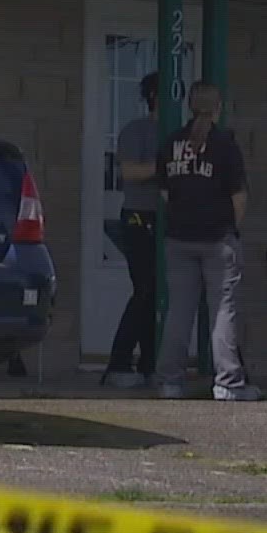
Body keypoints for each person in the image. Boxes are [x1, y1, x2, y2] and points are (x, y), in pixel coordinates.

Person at [153, 81, 262, 402]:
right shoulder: (225, 145)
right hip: (217, 238)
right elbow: (238, 197)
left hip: (178, 238)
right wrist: (231, 229)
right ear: (218, 108)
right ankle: (228, 383)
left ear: (189, 106)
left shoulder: (172, 143)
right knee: (223, 311)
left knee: (179, 312)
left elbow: (165, 193)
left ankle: (169, 382)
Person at [104, 72, 161, 389]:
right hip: (139, 218)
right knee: (144, 289)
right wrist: (162, 167)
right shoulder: (136, 131)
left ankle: (150, 362)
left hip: (170, 221)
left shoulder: (180, 133)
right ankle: (119, 361)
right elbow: (129, 171)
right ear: (154, 95)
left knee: (157, 293)